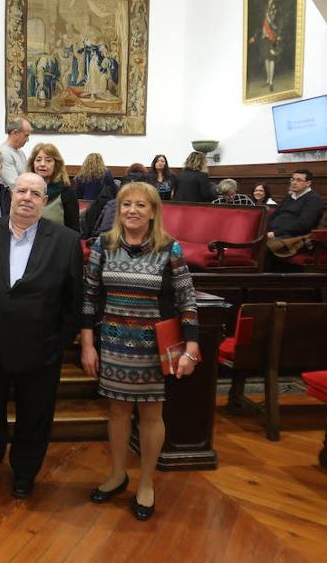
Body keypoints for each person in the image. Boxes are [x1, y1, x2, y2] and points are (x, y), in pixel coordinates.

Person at [80, 181, 200, 521]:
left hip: (153, 348)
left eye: (140, 205)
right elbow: (89, 298)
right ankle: (118, 474)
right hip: (114, 343)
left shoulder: (169, 248)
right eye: (126, 204)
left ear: (152, 212)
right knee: (117, 413)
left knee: (150, 416)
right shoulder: (103, 245)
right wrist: (88, 344)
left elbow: (186, 299)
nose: (132, 210)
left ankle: (146, 482)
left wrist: (191, 346)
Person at [0, 173, 82, 498]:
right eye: (22, 191)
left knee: (34, 416)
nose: (27, 197)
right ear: (11, 195)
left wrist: (59, 342)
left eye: (35, 193)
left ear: (45, 201)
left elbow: (75, 299)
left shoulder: (66, 240)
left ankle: (25, 471)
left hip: (41, 349)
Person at [30, 143, 79, 231]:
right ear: (32, 164)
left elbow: (73, 229)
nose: (42, 164)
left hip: (57, 242)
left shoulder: (66, 192)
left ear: (56, 165)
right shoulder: (26, 191)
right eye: (38, 160)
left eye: (48, 160)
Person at [266, 170, 324, 238]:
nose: (294, 182)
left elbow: (303, 225)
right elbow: (274, 215)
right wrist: (266, 229)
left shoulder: (313, 199)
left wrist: (275, 234)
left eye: (299, 180)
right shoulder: (288, 197)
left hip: (292, 237)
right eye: (292, 180)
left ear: (308, 183)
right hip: (273, 232)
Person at [250, 0, 284, 91]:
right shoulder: (264, 8)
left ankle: (271, 81)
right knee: (266, 58)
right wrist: (254, 37)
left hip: (272, 36)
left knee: (271, 58)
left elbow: (279, 22)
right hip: (264, 36)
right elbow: (260, 24)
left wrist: (278, 35)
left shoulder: (277, 7)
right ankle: (267, 79)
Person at [0, 117, 32, 188]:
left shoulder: (20, 152)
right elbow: (14, 184)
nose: (28, 140)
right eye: (26, 135)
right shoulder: (4, 154)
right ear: (15, 133)